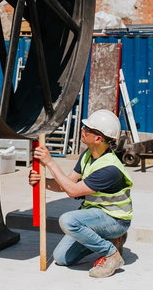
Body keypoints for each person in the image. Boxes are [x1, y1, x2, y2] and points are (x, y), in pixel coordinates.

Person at [29, 109, 133, 278]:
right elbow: (67, 183)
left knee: (68, 220)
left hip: (115, 220)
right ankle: (112, 240)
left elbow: (72, 191)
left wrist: (49, 162)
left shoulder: (109, 169)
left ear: (98, 138)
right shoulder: (87, 155)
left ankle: (111, 254)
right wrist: (43, 182)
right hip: (95, 216)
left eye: (87, 128)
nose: (82, 129)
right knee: (62, 257)